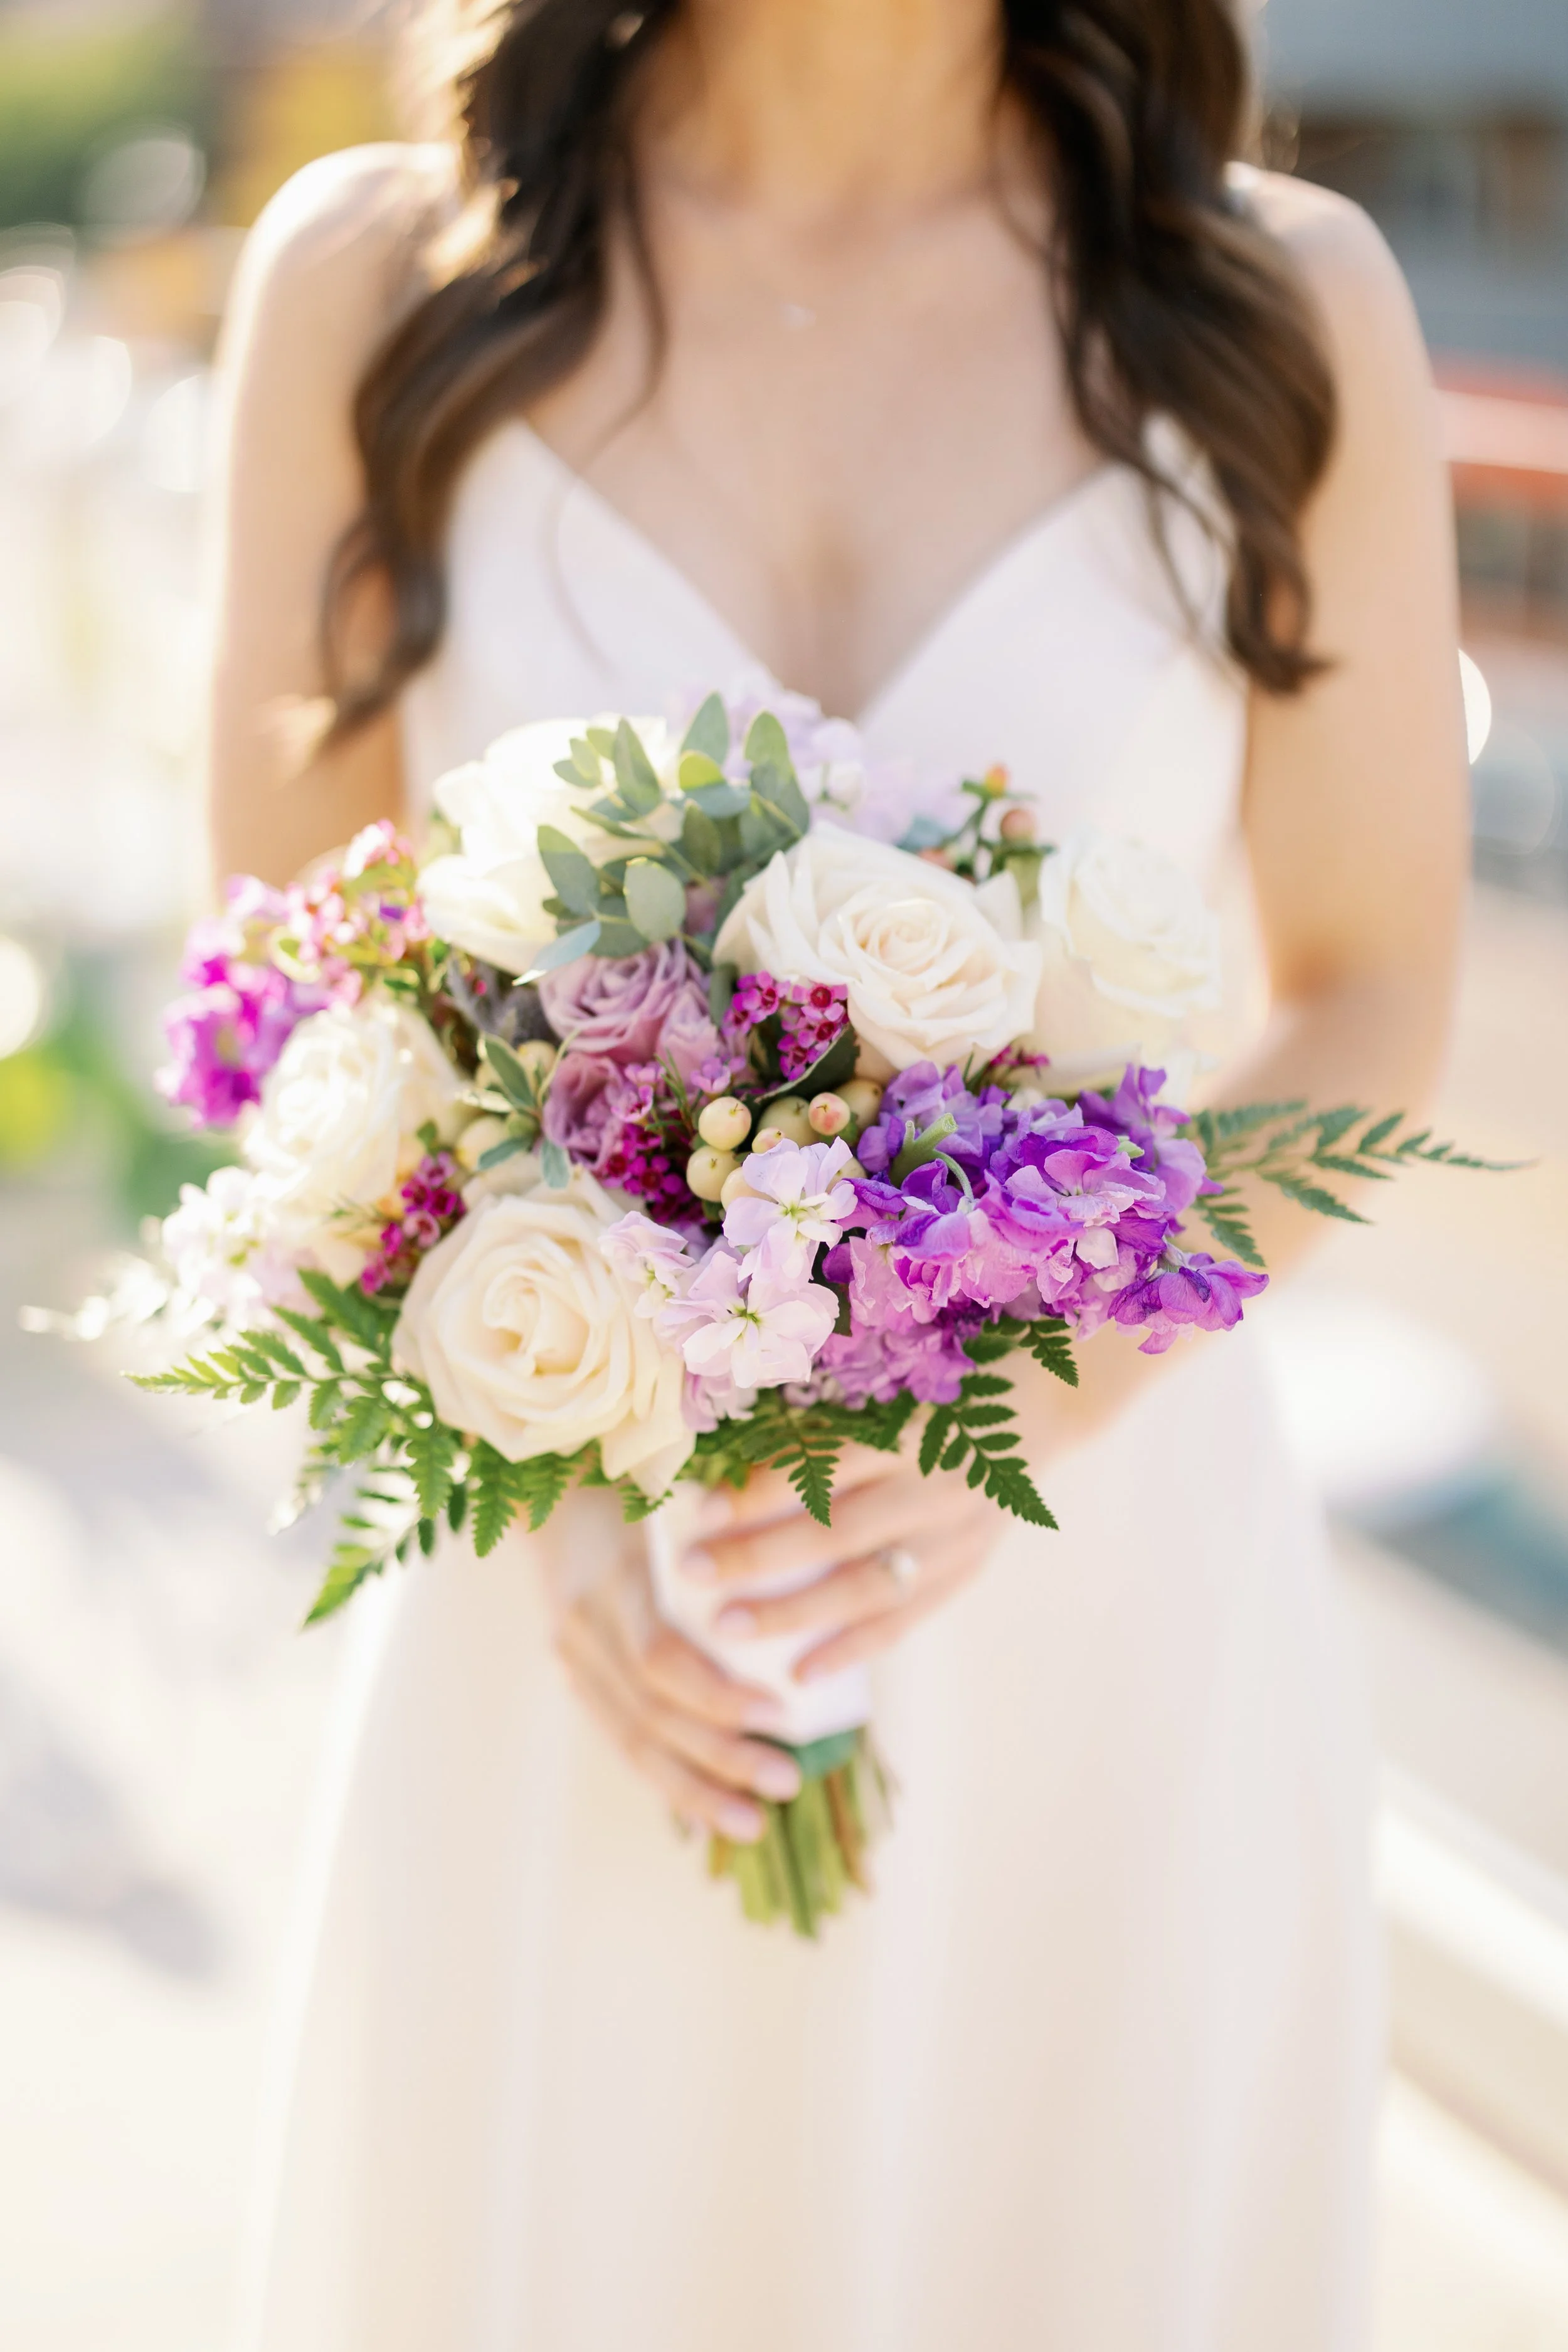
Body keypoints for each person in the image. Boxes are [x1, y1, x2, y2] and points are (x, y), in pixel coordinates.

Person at [213, 5, 1466, 2347]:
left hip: (1095, 1620)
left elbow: (1373, 986)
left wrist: (1045, 1402)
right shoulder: (379, 281)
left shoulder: (1280, 303)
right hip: (581, 1639)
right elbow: (292, 991)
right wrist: (551, 1482)